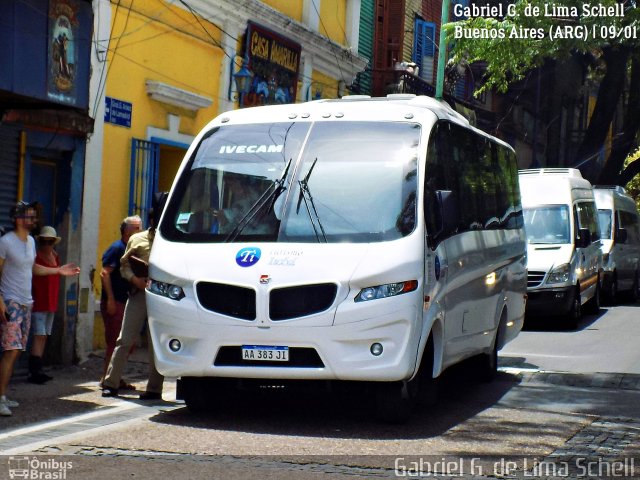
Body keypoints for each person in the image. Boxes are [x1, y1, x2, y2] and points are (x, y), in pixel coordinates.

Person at [0, 202, 80, 416]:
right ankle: (0, 399)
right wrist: (0, 301)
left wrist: (57, 271)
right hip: (11, 302)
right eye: (29, 216)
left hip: (27, 302)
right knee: (12, 350)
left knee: (16, 351)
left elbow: (32, 268)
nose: (33, 220)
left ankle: (3, 395)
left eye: (34, 216)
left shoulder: (30, 243)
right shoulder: (6, 242)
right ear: (18, 219)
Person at [101, 209, 164, 400]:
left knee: (157, 344)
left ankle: (154, 389)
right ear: (153, 219)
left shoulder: (174, 241)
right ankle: (111, 383)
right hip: (139, 294)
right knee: (125, 339)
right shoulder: (137, 239)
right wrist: (135, 280)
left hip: (164, 295)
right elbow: (124, 265)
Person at [99, 215, 142, 388]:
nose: (140, 231)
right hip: (115, 301)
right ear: (127, 231)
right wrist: (109, 299)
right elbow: (105, 273)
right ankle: (107, 378)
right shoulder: (117, 248)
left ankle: (115, 376)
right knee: (115, 342)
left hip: (126, 300)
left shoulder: (131, 249)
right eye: (137, 228)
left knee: (127, 343)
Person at [28, 226, 62, 384]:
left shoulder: (56, 257)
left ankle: (39, 368)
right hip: (39, 302)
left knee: (44, 336)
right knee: (39, 335)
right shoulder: (35, 257)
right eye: (44, 241)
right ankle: (34, 371)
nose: (46, 244)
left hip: (51, 302)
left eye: (50, 241)